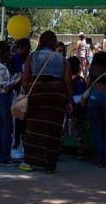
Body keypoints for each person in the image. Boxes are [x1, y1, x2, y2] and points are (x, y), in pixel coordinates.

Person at [18, 30, 71, 174]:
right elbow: (67, 81)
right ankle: (49, 165)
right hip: (56, 97)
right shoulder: (62, 59)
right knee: (53, 130)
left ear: (41, 42)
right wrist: (69, 100)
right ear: (54, 43)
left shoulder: (33, 57)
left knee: (32, 128)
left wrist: (26, 91)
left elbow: (25, 78)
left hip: (36, 96)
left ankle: (28, 162)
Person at [0, 40, 17, 165]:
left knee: (1, 128)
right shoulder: (1, 67)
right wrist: (16, 80)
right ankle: (5, 157)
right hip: (4, 98)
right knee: (7, 128)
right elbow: (6, 88)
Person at [9, 38, 31, 160]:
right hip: (16, 93)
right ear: (21, 48)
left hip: (26, 94)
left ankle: (22, 145)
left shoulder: (29, 58)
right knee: (16, 121)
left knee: (23, 122)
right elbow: (11, 75)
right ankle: (15, 145)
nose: (28, 50)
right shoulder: (13, 59)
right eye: (27, 48)